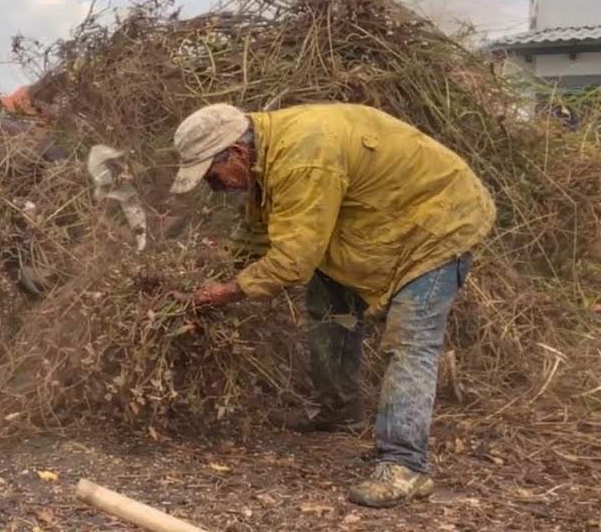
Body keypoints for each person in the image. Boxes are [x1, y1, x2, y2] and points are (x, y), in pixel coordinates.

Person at [168, 102, 494, 509]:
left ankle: (406, 464)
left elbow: (291, 263)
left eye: (213, 178)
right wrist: (210, 275)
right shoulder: (267, 158)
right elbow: (257, 233)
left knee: (411, 342)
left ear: (235, 152)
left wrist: (224, 292)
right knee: (328, 309)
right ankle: (340, 410)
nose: (214, 188)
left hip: (437, 223)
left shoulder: (303, 161)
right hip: (373, 226)